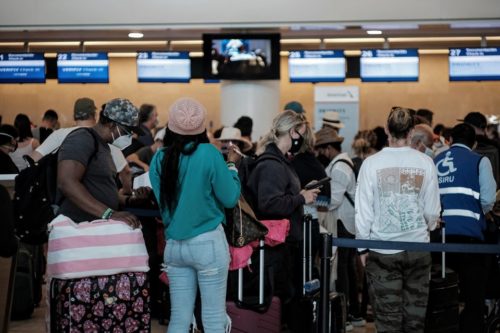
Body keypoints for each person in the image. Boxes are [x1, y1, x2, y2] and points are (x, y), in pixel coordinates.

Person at [51, 98, 151, 332]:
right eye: (127, 131)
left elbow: (102, 191)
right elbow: (67, 182)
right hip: (80, 237)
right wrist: (108, 213)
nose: (130, 137)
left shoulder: (105, 147)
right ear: (113, 124)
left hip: (97, 238)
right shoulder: (81, 139)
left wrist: (130, 200)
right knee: (81, 309)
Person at [149, 98, 241, 332]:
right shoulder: (209, 153)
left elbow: (163, 204)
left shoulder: (159, 159)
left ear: (170, 127)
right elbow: (230, 198)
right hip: (208, 243)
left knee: (179, 319)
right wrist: (231, 167)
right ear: (201, 129)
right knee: (213, 319)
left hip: (174, 246)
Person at [355, 107, 441, 332]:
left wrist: (362, 248)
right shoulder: (425, 163)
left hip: (382, 249)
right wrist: (430, 225)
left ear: (386, 129)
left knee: (387, 321)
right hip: (418, 248)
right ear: (412, 132)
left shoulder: (371, 164)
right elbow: (433, 211)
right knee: (415, 321)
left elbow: (363, 211)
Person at [248, 110, 320, 331]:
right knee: (283, 302)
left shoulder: (279, 162)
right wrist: (301, 197)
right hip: (277, 248)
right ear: (293, 132)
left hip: (282, 245)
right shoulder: (271, 165)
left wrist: (300, 194)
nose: (303, 141)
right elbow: (268, 204)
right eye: (303, 134)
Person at [434, 123, 496, 332]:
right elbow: (488, 199)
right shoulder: (480, 161)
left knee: (442, 293)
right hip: (471, 238)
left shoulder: (435, 160)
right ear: (474, 143)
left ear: (450, 140)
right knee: (473, 296)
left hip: (439, 238)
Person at [30, 97, 134, 195]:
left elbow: (32, 159)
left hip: (59, 200)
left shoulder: (59, 134)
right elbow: (126, 172)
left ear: (74, 116)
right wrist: (126, 191)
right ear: (94, 115)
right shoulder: (105, 137)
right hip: (92, 204)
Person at [315, 125, 364, 328]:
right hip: (346, 221)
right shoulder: (342, 163)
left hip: (343, 222)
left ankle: (347, 314)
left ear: (328, 148)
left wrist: (312, 201)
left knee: (344, 268)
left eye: (321, 149)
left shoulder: (340, 167)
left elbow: (333, 200)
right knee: (348, 267)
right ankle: (354, 312)